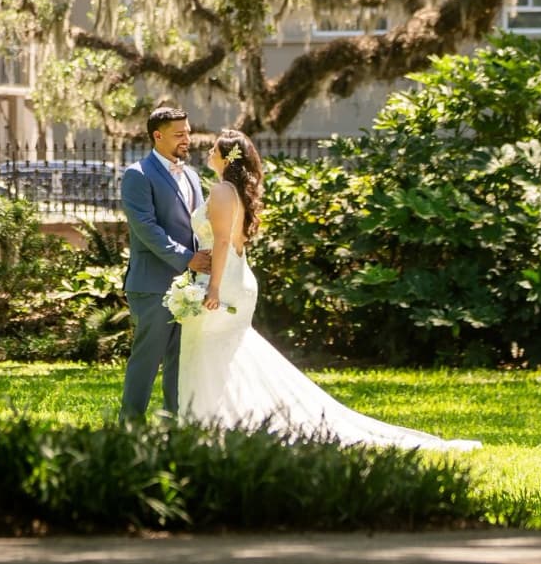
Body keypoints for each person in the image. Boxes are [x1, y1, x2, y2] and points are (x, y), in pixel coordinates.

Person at [178, 128, 478, 450]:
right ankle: (219, 424)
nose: (208, 152)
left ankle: (206, 426)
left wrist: (213, 288)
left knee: (211, 351)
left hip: (225, 280)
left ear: (227, 156)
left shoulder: (223, 190)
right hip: (236, 277)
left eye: (214, 148)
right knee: (229, 355)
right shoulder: (234, 191)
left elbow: (222, 241)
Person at [119, 105, 211, 418]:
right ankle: (130, 424)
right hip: (152, 284)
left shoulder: (191, 175)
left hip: (190, 286)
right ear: (157, 136)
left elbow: (199, 225)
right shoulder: (137, 175)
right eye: (179, 134)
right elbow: (146, 228)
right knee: (147, 359)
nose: (187, 139)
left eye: (188, 132)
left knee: (180, 361)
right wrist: (188, 259)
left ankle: (175, 424)